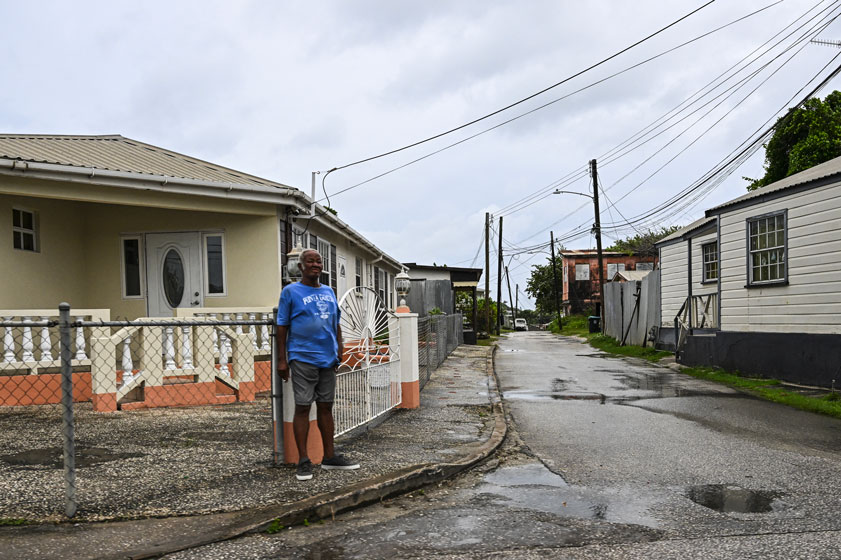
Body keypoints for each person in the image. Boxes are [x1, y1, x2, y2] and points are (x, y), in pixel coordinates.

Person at [276, 248, 360, 481]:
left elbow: (336, 322)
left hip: (327, 358)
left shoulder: (329, 291)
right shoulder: (290, 291)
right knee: (303, 406)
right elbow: (282, 325)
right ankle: (304, 461)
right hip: (302, 357)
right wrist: (282, 359)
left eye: (318, 261)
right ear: (300, 267)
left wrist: (340, 348)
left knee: (326, 406)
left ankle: (329, 457)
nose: (315, 265)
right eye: (309, 261)